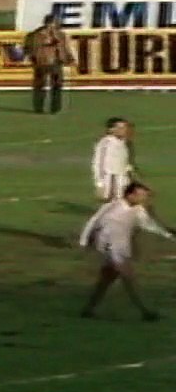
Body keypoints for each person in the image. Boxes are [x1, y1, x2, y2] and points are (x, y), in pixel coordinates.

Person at [78, 182, 175, 320]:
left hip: (122, 247)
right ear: (131, 195)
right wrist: (84, 241)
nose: (145, 198)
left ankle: (88, 310)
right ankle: (146, 311)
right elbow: (94, 221)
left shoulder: (139, 211)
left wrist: (169, 234)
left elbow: (150, 225)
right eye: (142, 195)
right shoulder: (112, 206)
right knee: (129, 277)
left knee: (105, 280)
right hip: (109, 246)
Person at [22, 13, 75, 114]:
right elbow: (29, 48)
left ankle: (54, 108)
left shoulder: (59, 34)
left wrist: (69, 58)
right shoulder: (35, 35)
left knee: (56, 86)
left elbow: (64, 48)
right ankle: (40, 108)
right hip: (42, 62)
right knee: (40, 86)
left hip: (54, 62)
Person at [91, 117, 135, 202]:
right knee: (116, 204)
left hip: (123, 177)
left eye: (125, 127)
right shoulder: (105, 143)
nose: (125, 130)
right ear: (112, 129)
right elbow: (98, 163)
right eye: (120, 128)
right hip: (111, 178)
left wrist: (130, 170)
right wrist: (100, 184)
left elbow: (123, 159)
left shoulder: (124, 143)